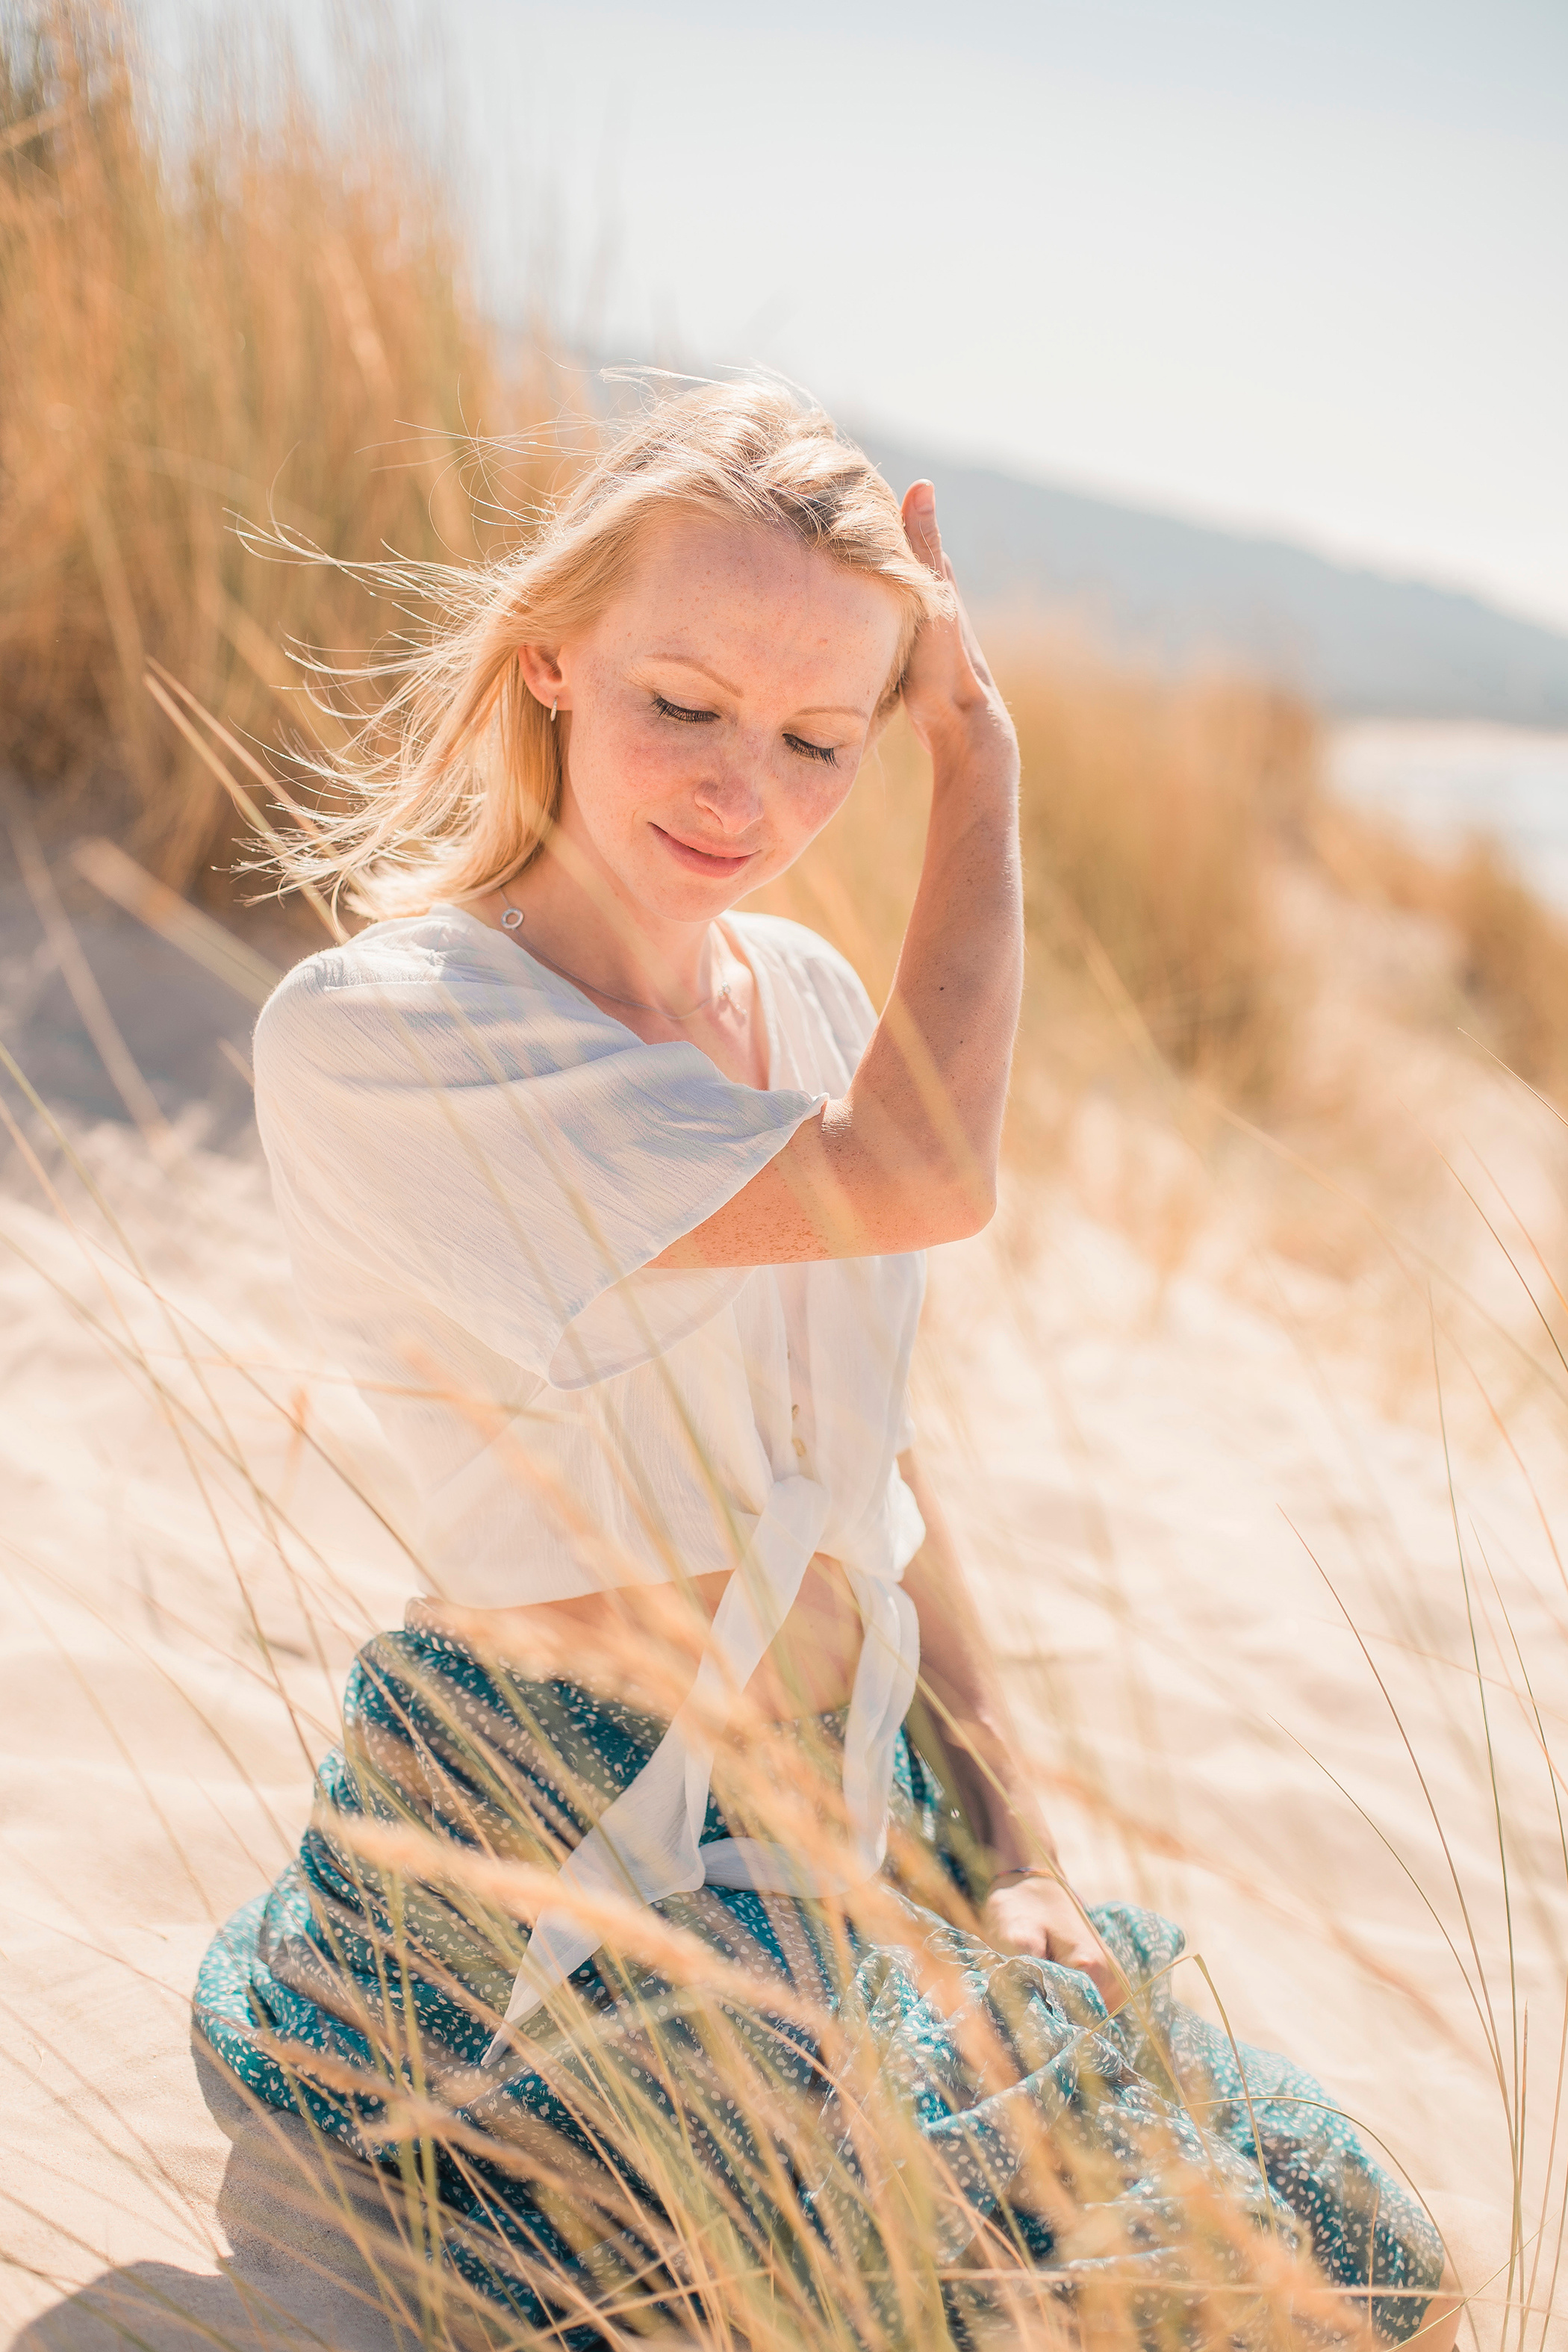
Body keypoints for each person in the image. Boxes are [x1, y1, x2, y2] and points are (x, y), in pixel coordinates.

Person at [198, 379, 1455, 2347]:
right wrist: (984, 775)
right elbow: (924, 1172)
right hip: (564, 1829)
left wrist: (1012, 1848)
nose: (741, 790)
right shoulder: (386, 1033)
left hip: (865, 1813)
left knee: (1362, 2259)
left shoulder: (798, 997)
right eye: (678, 704)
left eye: (818, 738)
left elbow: (874, 1488)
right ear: (548, 659)